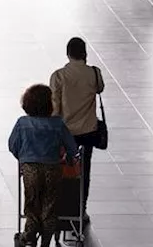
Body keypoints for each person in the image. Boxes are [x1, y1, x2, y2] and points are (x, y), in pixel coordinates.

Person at [9, 84, 81, 247]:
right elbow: (72, 148)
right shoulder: (57, 124)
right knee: (49, 204)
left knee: (32, 203)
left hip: (30, 169)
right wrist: (68, 158)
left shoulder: (22, 123)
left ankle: (28, 235)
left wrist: (23, 158)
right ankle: (46, 241)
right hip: (52, 168)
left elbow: (13, 145)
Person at [50, 37, 105, 220]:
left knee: (63, 170)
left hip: (65, 132)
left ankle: (63, 208)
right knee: (84, 171)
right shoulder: (94, 73)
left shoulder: (58, 76)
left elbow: (55, 107)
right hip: (88, 130)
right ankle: (81, 210)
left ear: (67, 54)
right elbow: (100, 89)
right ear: (85, 53)